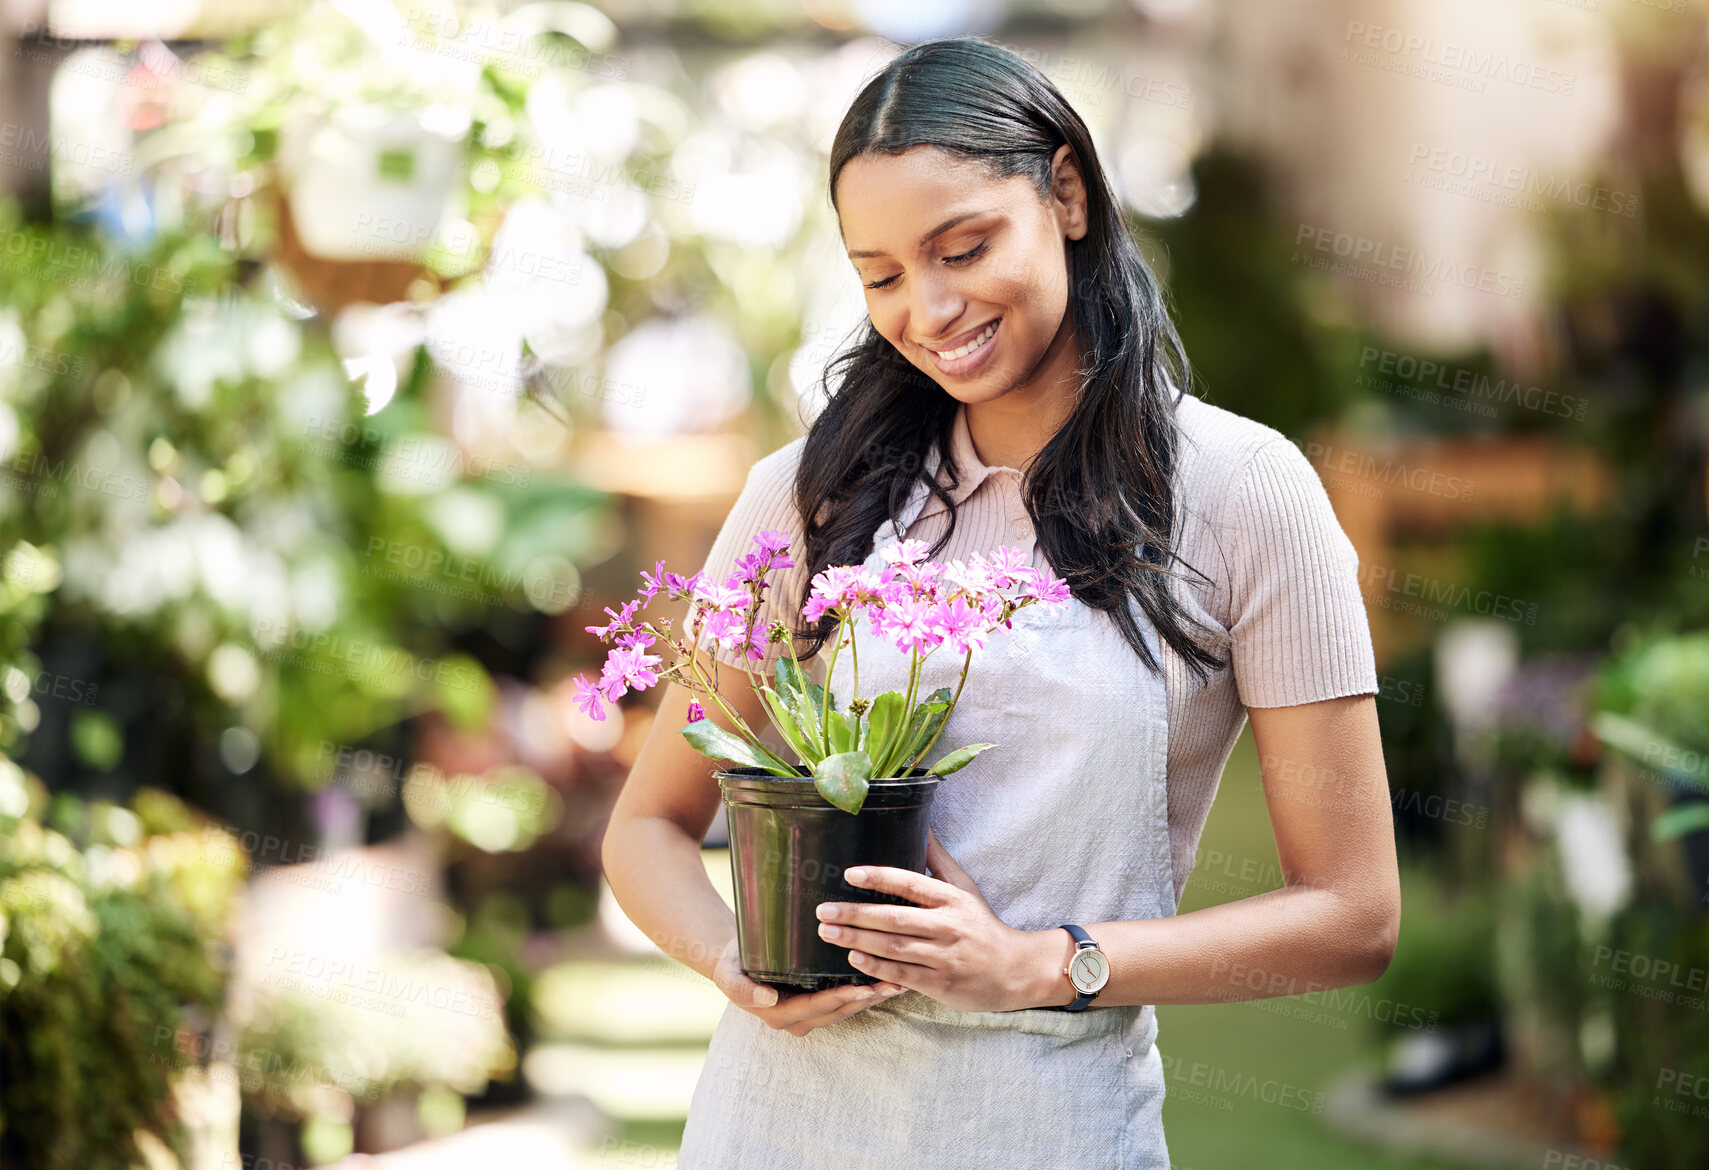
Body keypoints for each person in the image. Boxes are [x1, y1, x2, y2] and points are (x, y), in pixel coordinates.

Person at [601, 35, 1401, 1169]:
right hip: (776, 1124)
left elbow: (1352, 915)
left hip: (1047, 1128)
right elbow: (646, 824)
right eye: (878, 275)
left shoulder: (1240, 494)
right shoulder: (808, 497)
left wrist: (1040, 963)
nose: (925, 309)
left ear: (1066, 194)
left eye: (962, 248)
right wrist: (733, 961)